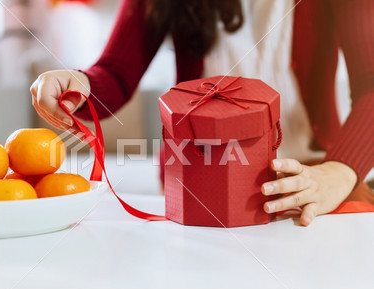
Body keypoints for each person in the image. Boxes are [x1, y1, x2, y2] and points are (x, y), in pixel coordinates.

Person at [31, 0, 374, 226]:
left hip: (310, 180)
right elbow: (117, 75)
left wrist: (338, 172)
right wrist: (78, 83)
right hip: (197, 185)